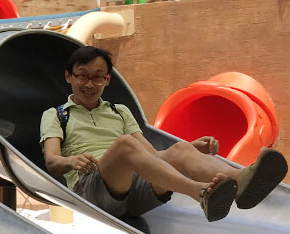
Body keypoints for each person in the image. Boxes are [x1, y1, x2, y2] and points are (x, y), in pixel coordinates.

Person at [40, 45, 287, 222]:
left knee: (178, 149)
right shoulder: (57, 115)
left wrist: (188, 149)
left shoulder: (120, 112)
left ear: (107, 80)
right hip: (92, 192)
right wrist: (71, 160)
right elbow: (52, 162)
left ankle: (242, 179)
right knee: (125, 145)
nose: (89, 84)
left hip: (136, 195)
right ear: (69, 76)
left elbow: (150, 156)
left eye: (97, 78)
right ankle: (199, 192)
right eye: (82, 76)